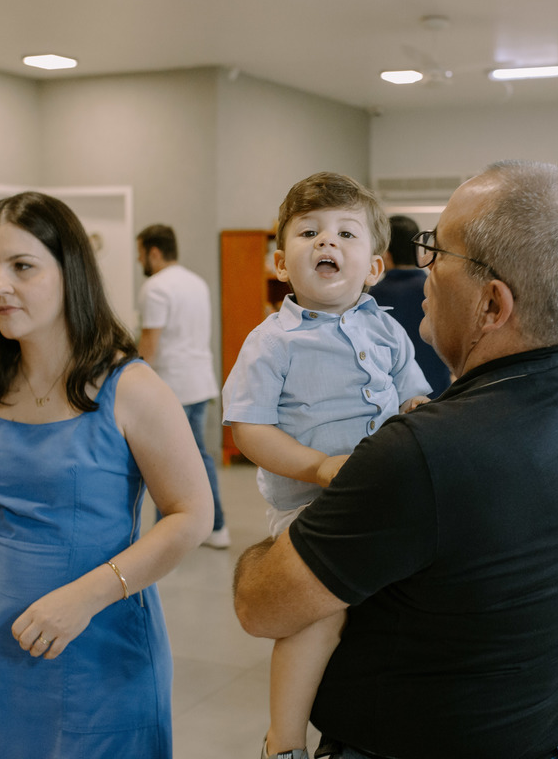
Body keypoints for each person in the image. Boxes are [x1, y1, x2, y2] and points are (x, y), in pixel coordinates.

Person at [233, 160, 558, 759]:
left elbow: (261, 606)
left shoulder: (426, 453)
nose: (422, 268)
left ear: (492, 305)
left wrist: (262, 557)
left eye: (437, 252)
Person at [0, 191, 212, 758]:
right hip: (1, 645)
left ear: (71, 273)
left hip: (99, 648)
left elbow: (191, 516)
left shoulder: (131, 388)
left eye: (22, 266)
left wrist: (84, 599)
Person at [222, 172, 431, 759]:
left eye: (345, 233)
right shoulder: (273, 342)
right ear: (281, 264)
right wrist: (316, 467)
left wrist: (419, 413)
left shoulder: (387, 328)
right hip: (313, 506)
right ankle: (283, 741)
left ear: (373, 267)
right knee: (317, 615)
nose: (327, 242)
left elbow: (413, 395)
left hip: (386, 497)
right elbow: (248, 429)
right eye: (309, 232)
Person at [136, 223, 228, 548]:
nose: (139, 261)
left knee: (165, 461)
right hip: (200, 382)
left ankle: (173, 534)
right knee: (197, 456)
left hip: (174, 385)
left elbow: (150, 343)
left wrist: (132, 377)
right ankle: (213, 526)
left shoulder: (155, 287)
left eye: (140, 254)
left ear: (154, 252)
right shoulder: (196, 283)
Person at [368, 214, 452, 398]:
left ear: (385, 254)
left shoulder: (372, 299)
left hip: (396, 400)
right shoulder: (437, 290)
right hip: (441, 395)